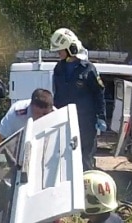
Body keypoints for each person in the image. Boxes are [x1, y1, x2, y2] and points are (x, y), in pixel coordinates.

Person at [50, 28, 107, 171]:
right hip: (64, 119)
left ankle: (85, 190)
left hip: (85, 122)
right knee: (63, 156)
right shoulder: (59, 68)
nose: (58, 54)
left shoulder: (88, 69)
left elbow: (99, 93)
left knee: (84, 158)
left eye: (60, 50)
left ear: (71, 48)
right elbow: (57, 94)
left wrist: (101, 117)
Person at [0, 88, 55, 154]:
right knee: (2, 158)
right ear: (31, 106)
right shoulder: (17, 111)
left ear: (51, 110)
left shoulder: (58, 117)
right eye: (37, 113)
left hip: (45, 152)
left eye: (44, 114)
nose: (40, 117)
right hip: (17, 151)